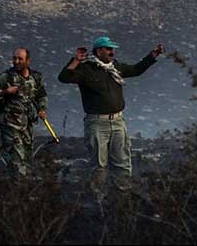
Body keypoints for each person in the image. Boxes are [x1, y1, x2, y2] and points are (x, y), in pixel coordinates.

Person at [58, 36, 164, 193]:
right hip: (97, 123)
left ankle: (122, 197)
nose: (112, 52)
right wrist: (76, 61)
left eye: (112, 49)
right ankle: (98, 198)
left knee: (122, 161)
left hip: (118, 121)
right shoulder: (86, 69)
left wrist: (152, 56)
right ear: (98, 51)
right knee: (99, 165)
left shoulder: (116, 68)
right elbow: (64, 78)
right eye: (108, 49)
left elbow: (136, 70)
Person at [0, 47, 48, 177]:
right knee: (16, 158)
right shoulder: (5, 77)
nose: (16, 61)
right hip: (10, 123)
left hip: (28, 124)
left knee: (27, 156)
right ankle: (17, 186)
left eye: (20, 59)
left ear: (28, 61)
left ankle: (20, 190)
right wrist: (5, 92)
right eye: (14, 58)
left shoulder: (36, 78)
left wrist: (42, 109)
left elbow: (41, 95)